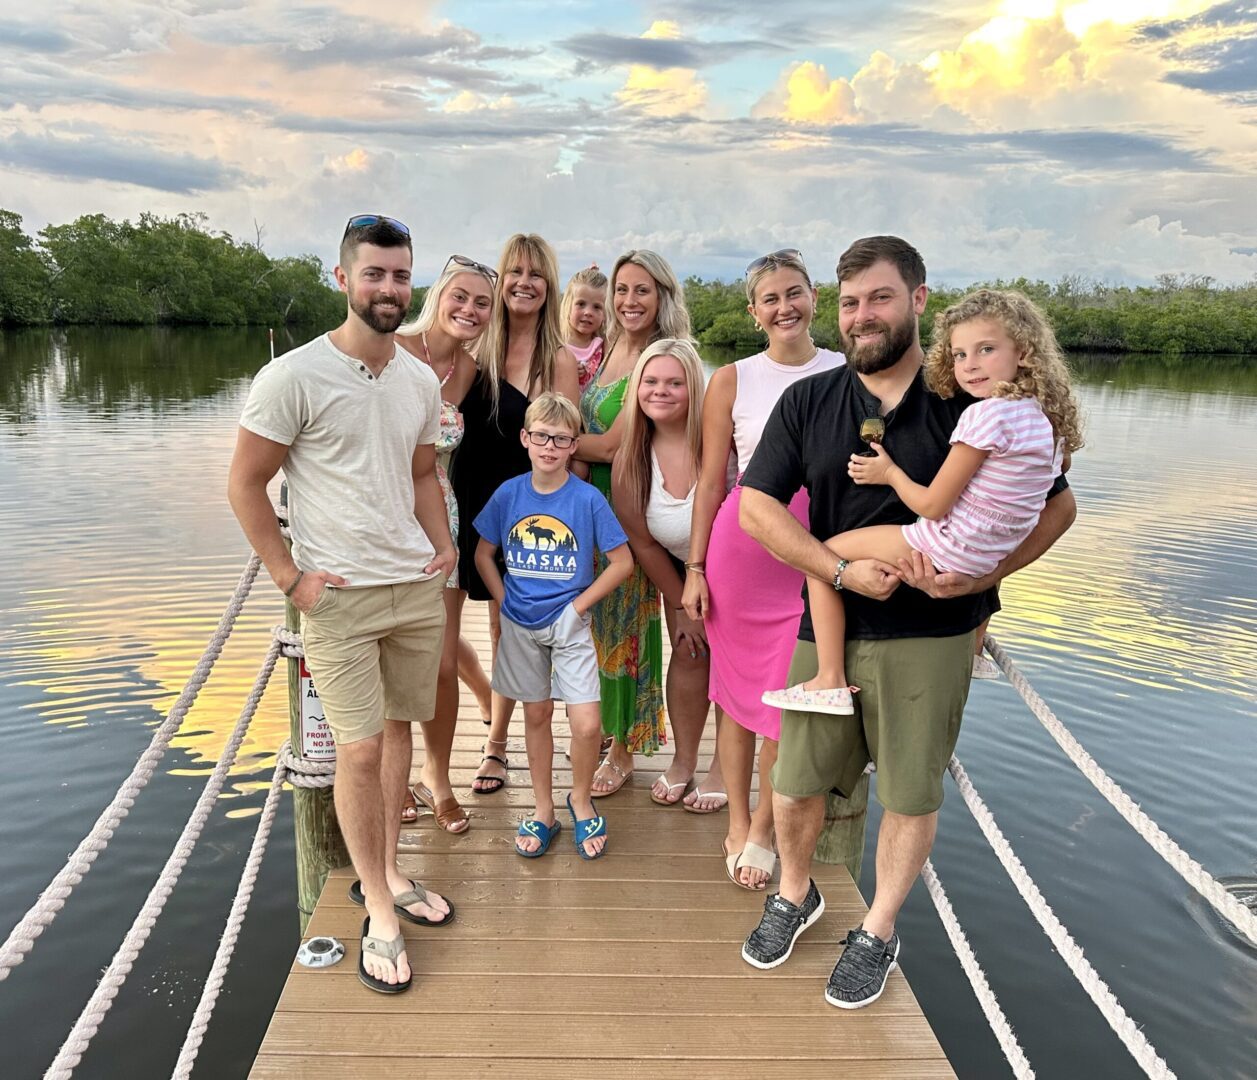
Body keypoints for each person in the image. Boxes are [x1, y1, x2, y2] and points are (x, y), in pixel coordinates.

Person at [738, 236, 1077, 1008]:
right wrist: (834, 570)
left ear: (917, 299)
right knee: (792, 786)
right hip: (825, 617)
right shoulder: (810, 400)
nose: (863, 316)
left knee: (910, 794)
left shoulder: (976, 398)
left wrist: (986, 575)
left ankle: (879, 929)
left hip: (934, 632)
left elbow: (1058, 506)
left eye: (880, 298)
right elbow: (755, 507)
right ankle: (795, 894)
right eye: (851, 301)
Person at [228, 215, 456, 995]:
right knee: (357, 749)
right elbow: (244, 483)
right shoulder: (292, 376)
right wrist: (291, 580)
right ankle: (381, 919)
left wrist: (444, 545)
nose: (389, 290)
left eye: (400, 276)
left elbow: (424, 472)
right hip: (340, 597)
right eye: (375, 275)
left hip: (413, 586)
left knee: (398, 734)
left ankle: (386, 875)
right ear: (342, 278)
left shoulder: (420, 379)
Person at [763, 287, 1083, 714]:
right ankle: (972, 652)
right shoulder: (1042, 420)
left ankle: (828, 680)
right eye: (959, 355)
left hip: (947, 545)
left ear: (1022, 352)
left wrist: (889, 473)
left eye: (985, 350)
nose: (969, 366)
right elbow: (1035, 497)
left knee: (826, 558)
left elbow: (933, 505)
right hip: (985, 558)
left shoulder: (984, 415)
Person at [683, 249, 846, 888]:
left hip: (815, 553)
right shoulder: (732, 379)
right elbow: (710, 480)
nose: (785, 307)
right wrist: (694, 567)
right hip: (742, 551)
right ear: (754, 313)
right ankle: (737, 824)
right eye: (771, 299)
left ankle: (762, 828)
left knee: (785, 699)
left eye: (795, 293)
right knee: (734, 698)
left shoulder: (847, 370)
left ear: (814, 298)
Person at [448, 233, 581, 796]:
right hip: (462, 500)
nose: (524, 282)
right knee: (436, 629)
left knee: (510, 631)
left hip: (523, 511)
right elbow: (434, 416)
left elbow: (568, 447)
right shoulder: (473, 350)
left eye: (536, 273)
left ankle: (496, 745)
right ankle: (482, 692)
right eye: (515, 272)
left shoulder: (558, 360)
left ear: (549, 286)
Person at [474, 393, 634, 859]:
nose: (549, 446)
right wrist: (505, 602)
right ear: (525, 438)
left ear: (573, 445)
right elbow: (484, 554)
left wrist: (577, 608)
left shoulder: (586, 500)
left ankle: (580, 799)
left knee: (587, 724)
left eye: (561, 439)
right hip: (521, 625)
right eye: (541, 436)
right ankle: (544, 809)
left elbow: (621, 562)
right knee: (536, 713)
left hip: (569, 625)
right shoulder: (509, 494)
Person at [574, 250, 703, 796]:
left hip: (632, 501)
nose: (628, 301)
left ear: (662, 297)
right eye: (621, 290)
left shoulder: (663, 358)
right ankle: (610, 727)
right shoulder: (604, 354)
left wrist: (542, 443)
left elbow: (608, 444)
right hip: (592, 504)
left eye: (642, 290)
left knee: (627, 627)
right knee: (599, 625)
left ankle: (625, 748)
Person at [393, 255, 498, 832]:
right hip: (382, 519)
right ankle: (398, 774)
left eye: (482, 302)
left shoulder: (474, 374)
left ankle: (436, 776)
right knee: (392, 658)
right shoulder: (392, 347)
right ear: (439, 294)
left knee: (436, 659)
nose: (469, 310)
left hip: (440, 519)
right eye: (460, 296)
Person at [610, 339, 720, 811]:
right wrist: (681, 606)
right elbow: (644, 543)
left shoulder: (720, 438)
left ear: (694, 387)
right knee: (691, 651)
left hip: (739, 564)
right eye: (651, 382)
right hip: (678, 565)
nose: (661, 391)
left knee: (735, 663)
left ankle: (723, 768)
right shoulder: (632, 459)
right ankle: (685, 760)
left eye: (675, 382)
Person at [561, 265, 608, 390]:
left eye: (597, 307)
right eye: (581, 304)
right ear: (568, 305)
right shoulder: (557, 344)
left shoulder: (601, 346)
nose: (588, 312)